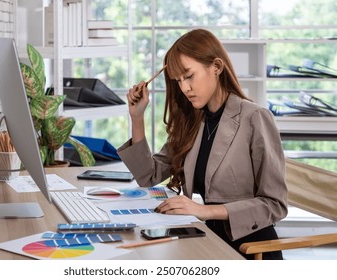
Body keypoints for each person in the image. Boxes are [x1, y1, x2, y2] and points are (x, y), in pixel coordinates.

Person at [117, 28, 288, 260]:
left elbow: (275, 204)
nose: (184, 87)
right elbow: (149, 176)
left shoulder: (254, 118)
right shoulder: (193, 121)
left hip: (249, 247)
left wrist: (203, 210)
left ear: (216, 67)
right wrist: (137, 117)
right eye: (178, 80)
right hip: (207, 238)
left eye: (189, 76)